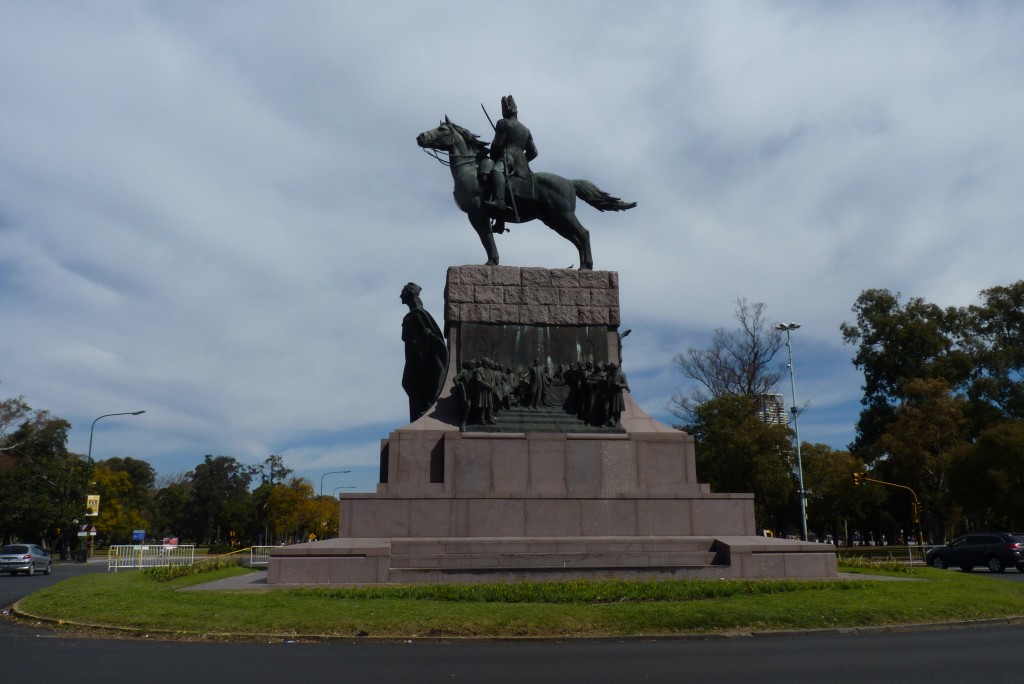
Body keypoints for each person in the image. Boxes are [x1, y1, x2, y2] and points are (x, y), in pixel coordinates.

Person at [400, 282, 448, 422]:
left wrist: (433, 342)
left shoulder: (418, 313)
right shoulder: (413, 313)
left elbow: (428, 333)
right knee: (409, 382)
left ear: (409, 294)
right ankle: (418, 414)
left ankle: (427, 407)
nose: (400, 296)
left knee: (411, 382)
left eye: (402, 293)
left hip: (419, 354)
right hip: (411, 355)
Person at [484, 95, 538, 214]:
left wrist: (493, 157)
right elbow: (534, 152)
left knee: (496, 171)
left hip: (507, 157)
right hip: (522, 164)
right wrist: (522, 162)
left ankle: (500, 202)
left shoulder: (503, 123)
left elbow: (496, 145)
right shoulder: (526, 130)